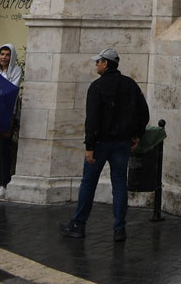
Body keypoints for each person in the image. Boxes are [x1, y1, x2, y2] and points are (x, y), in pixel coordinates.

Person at [59, 47, 149, 242]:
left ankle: (78, 224)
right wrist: (137, 134)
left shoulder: (97, 87)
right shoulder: (130, 84)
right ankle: (119, 228)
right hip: (122, 143)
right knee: (119, 185)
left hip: (100, 144)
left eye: (98, 62)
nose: (95, 65)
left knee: (88, 184)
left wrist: (89, 146)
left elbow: (92, 119)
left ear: (105, 63)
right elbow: (143, 112)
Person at [0, 43, 23, 200]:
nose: (4, 57)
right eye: (2, 54)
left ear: (11, 56)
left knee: (4, 150)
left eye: (7, 55)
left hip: (7, 114)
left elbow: (10, 90)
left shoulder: (16, 71)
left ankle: (4, 184)